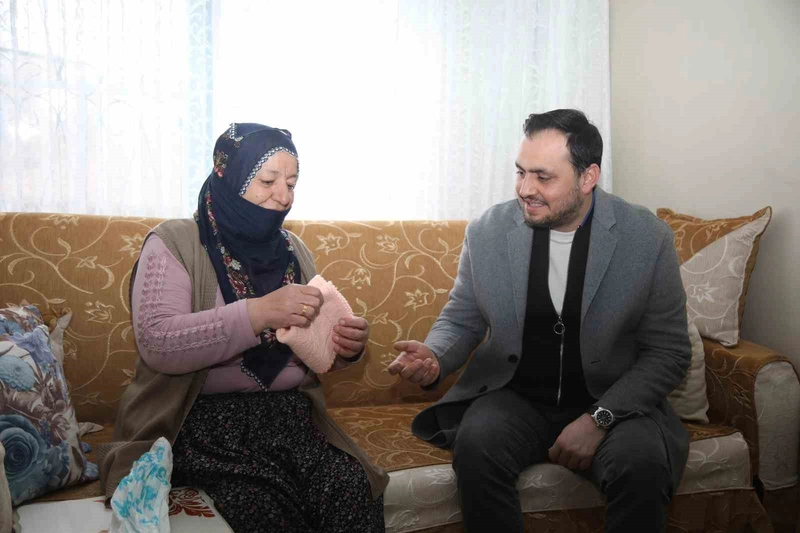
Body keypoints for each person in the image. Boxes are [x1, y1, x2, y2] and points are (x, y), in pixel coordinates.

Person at [388, 109, 691, 533]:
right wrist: (435, 356)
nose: (525, 189)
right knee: (476, 446)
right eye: (520, 172)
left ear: (588, 178)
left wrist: (599, 419)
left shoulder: (646, 237)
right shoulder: (487, 231)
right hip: (516, 397)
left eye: (543, 177)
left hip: (612, 400)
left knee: (643, 466)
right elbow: (462, 318)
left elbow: (669, 352)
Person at [99, 123, 388, 533]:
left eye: (292, 183)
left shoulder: (293, 250)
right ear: (229, 176)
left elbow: (314, 352)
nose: (284, 196)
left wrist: (345, 348)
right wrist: (257, 313)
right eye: (268, 181)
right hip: (199, 425)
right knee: (262, 509)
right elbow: (157, 342)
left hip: (292, 421)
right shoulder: (175, 241)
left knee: (352, 487)